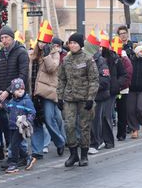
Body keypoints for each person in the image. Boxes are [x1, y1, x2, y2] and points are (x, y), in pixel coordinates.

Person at [57, 33, 99, 167]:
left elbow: (94, 80)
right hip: (69, 98)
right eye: (71, 43)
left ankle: (84, 154)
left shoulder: (88, 59)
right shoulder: (66, 60)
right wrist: (59, 97)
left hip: (84, 98)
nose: (72, 45)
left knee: (84, 126)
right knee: (69, 125)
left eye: (75, 43)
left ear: (80, 44)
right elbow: (61, 79)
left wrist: (90, 98)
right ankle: (73, 154)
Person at [0, 26, 29, 163]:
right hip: (4, 95)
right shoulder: (0, 54)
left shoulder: (21, 52)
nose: (4, 40)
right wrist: (0, 92)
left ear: (12, 38)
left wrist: (8, 91)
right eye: (2, 38)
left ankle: (20, 156)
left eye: (6, 37)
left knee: (18, 126)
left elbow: (22, 76)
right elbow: (0, 75)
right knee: (10, 128)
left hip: (18, 96)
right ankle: (17, 155)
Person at [31, 34, 66, 158]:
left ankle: (60, 142)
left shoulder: (54, 53)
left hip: (48, 92)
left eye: (44, 42)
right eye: (39, 41)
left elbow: (52, 68)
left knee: (49, 119)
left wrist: (46, 56)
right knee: (36, 121)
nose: (41, 44)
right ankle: (37, 150)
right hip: (35, 92)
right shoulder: (33, 54)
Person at [83, 38, 110, 155]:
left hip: (99, 96)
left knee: (95, 120)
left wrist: (92, 85)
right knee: (88, 120)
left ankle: (96, 143)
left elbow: (105, 80)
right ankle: (93, 141)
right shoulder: (86, 59)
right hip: (88, 95)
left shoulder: (101, 61)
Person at [4, 78, 36, 173]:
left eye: (22, 89)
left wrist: (27, 120)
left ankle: (14, 164)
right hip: (12, 126)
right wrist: (3, 103)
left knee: (14, 145)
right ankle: (27, 158)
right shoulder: (12, 101)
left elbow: (32, 112)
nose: (20, 91)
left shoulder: (27, 101)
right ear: (13, 91)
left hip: (21, 127)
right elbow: (8, 109)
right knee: (17, 145)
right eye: (18, 90)